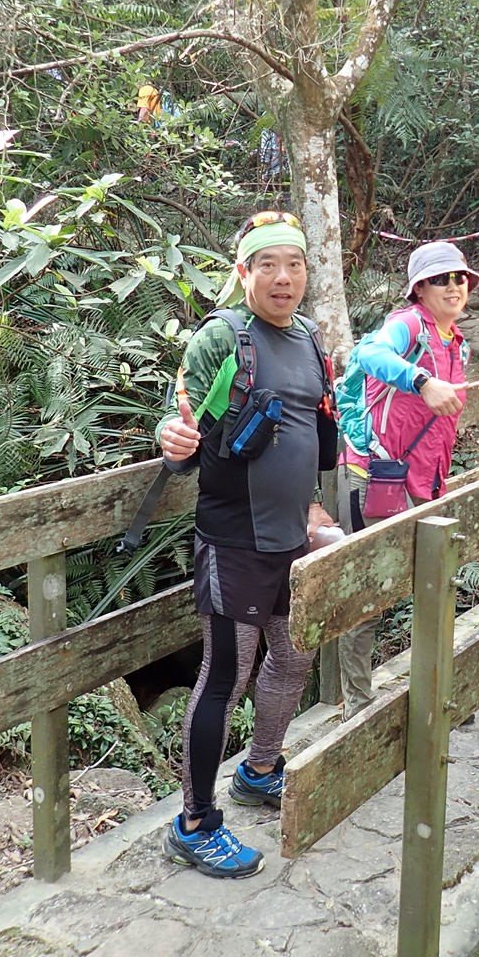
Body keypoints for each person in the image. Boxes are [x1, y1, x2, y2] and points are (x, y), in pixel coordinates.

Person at [156, 209, 338, 878]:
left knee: (292, 657)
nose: (283, 277)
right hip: (233, 540)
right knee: (224, 678)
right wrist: (170, 438)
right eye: (268, 265)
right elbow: (181, 417)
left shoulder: (310, 338)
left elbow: (312, 434)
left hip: (293, 537)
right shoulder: (223, 337)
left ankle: (259, 769)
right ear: (244, 273)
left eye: (294, 264)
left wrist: (313, 506)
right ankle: (194, 823)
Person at [335, 242, 476, 718]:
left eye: (459, 277)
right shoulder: (407, 325)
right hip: (375, 477)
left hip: (424, 484)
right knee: (367, 594)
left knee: (434, 585)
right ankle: (357, 706)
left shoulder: (454, 342)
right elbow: (368, 352)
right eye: (440, 279)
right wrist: (421, 381)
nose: (452, 286)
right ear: (419, 288)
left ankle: (435, 693)